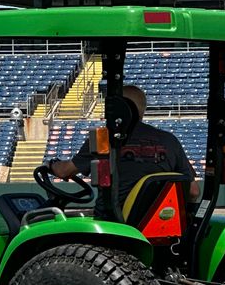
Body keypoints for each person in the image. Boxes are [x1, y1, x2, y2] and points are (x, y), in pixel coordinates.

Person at [50, 84, 200, 207]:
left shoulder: (103, 138)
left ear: (119, 108)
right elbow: (193, 191)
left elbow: (64, 172)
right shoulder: (170, 141)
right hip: (158, 226)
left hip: (114, 224)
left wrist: (51, 165)